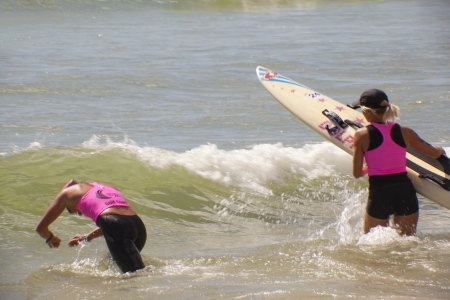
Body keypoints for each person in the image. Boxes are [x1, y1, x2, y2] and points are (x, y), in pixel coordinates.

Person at [352, 89, 446, 236]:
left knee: (371, 248)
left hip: (380, 193)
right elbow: (432, 152)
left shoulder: (361, 135)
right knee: (406, 246)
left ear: (367, 112)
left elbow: (357, 173)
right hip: (405, 193)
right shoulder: (405, 131)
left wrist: (367, 167)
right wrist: (439, 150)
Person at [35, 179, 147, 273]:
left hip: (116, 226)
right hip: (138, 226)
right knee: (121, 269)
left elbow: (40, 228)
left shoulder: (66, 194)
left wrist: (50, 237)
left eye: (70, 210)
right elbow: (117, 220)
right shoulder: (105, 186)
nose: (79, 213)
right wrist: (87, 237)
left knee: (135, 278)